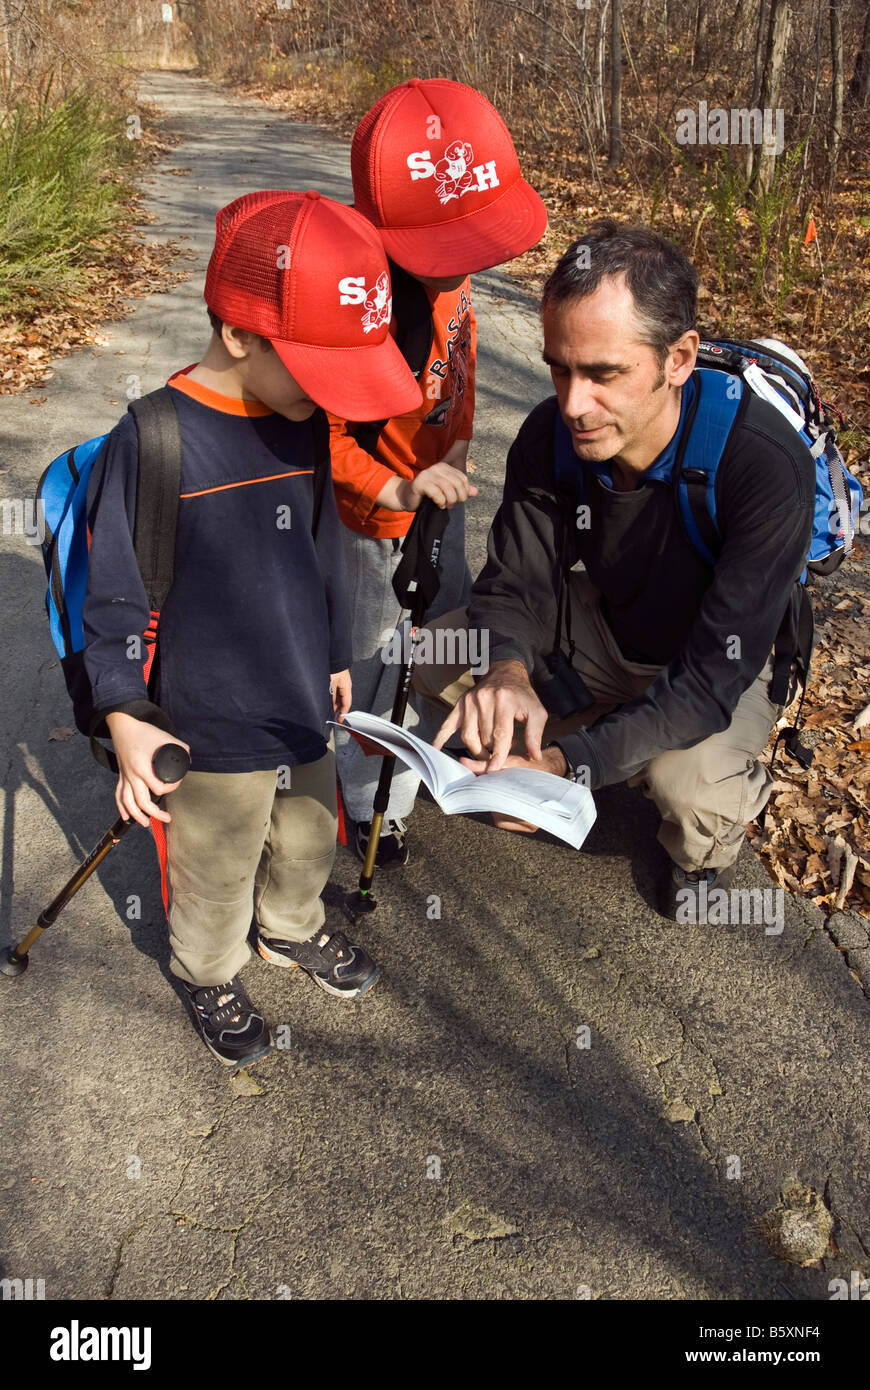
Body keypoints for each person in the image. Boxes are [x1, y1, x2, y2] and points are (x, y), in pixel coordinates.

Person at [82, 190, 422, 1067]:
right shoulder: (154, 440)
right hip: (207, 715)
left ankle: (290, 926)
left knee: (312, 834)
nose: (331, 397)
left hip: (302, 693)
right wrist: (123, 714)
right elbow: (115, 593)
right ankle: (207, 969)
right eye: (319, 370)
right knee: (216, 862)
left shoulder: (301, 421)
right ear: (240, 336)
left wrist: (337, 656)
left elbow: (321, 547)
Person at [418, 221, 816, 917]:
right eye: (559, 367)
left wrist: (568, 771)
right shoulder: (553, 434)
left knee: (689, 787)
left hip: (719, 659)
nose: (574, 403)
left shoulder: (762, 465)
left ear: (680, 358)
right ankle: (591, 723)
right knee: (430, 658)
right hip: (606, 628)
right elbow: (514, 582)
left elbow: (709, 679)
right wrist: (506, 671)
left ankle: (699, 833)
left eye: (604, 374)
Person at [328, 77, 548, 868]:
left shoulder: (456, 284)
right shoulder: (359, 307)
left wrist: (453, 452)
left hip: (437, 499)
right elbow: (326, 437)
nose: (466, 266)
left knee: (443, 639)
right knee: (373, 653)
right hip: (368, 516)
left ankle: (422, 771)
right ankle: (364, 803)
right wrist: (394, 490)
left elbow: (462, 375)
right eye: (450, 249)